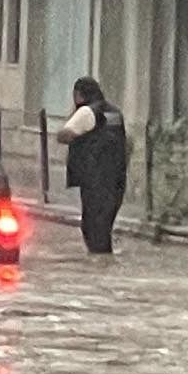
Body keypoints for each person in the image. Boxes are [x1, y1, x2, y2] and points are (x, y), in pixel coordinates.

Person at [56, 77, 128, 256]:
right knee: (104, 228)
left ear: (79, 95)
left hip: (94, 181)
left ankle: (100, 263)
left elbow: (64, 135)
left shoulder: (87, 112)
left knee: (92, 227)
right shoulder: (115, 113)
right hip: (117, 180)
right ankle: (104, 262)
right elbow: (127, 143)